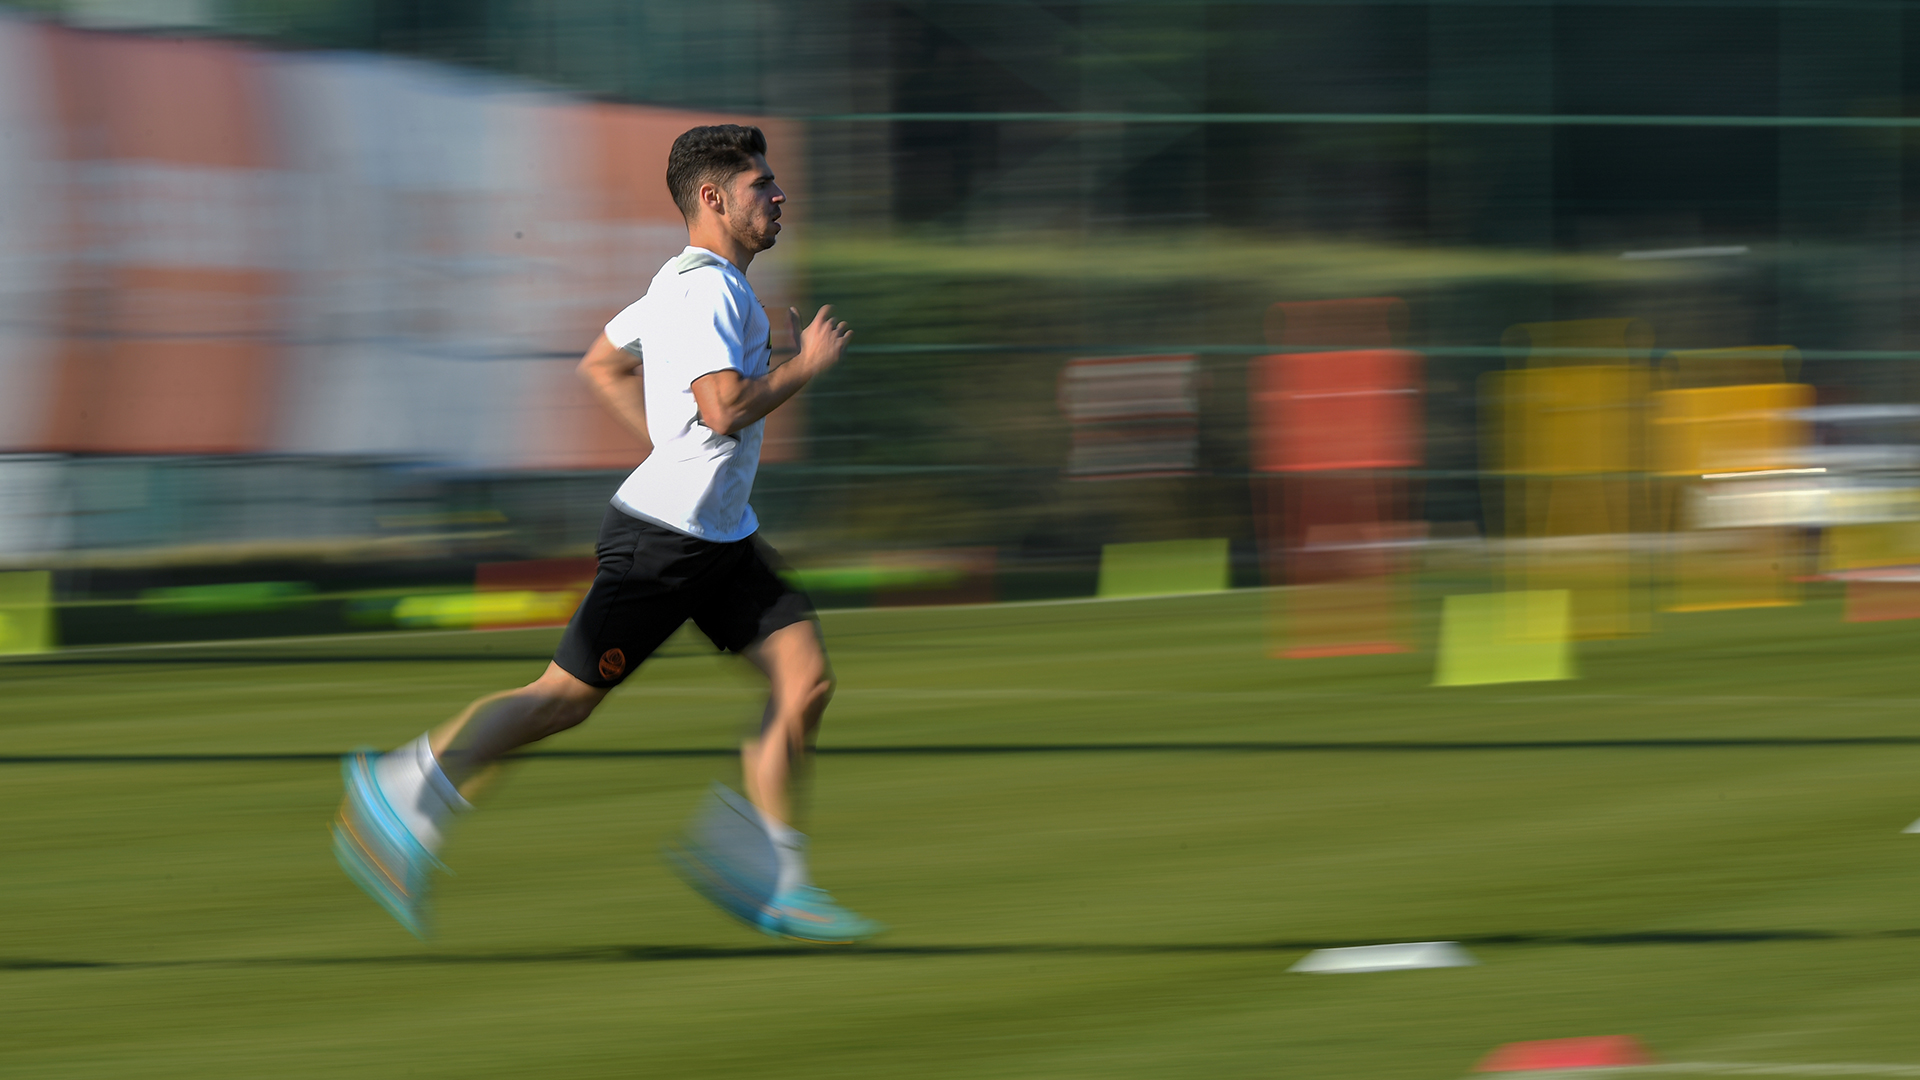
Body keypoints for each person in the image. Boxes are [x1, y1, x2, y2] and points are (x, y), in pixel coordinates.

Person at [332, 123, 878, 944]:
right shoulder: (708, 293)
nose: (778, 197)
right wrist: (803, 367)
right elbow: (724, 406)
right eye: (762, 184)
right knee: (560, 702)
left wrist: (673, 448)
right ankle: (404, 789)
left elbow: (601, 362)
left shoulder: (683, 283)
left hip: (720, 535)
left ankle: (770, 873)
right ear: (712, 197)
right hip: (666, 543)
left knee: (805, 681)